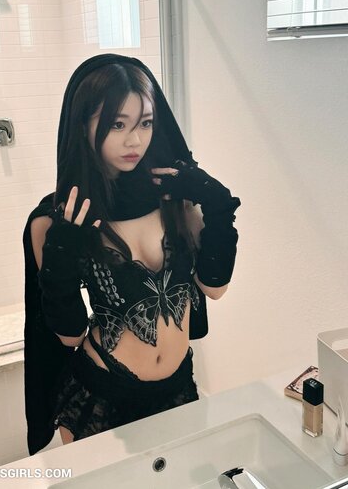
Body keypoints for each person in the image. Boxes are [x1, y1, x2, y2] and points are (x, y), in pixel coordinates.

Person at [22, 53, 241, 455]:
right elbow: (69, 335)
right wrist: (63, 247)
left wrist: (217, 204)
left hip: (179, 386)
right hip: (101, 395)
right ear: (83, 125)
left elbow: (214, 287)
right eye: (117, 124)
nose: (135, 141)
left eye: (145, 123)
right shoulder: (57, 221)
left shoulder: (174, 196)